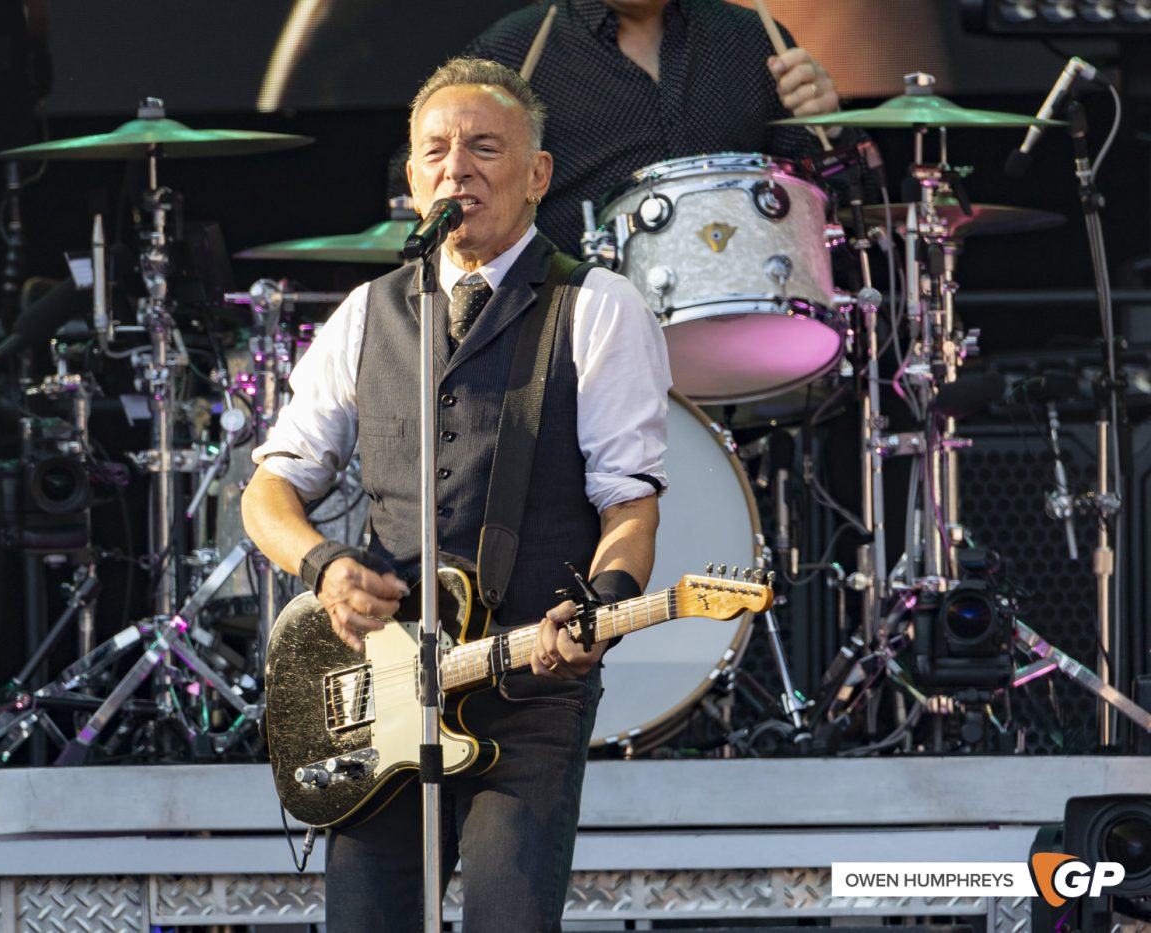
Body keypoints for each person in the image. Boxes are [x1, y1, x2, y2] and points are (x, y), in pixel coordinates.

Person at [242, 58, 670, 932]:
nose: (456, 168)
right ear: (411, 177)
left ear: (538, 173)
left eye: (484, 147)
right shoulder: (368, 311)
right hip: (381, 693)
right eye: (435, 150)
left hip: (528, 692)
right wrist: (323, 566)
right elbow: (269, 491)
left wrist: (603, 611)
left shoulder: (596, 306)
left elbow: (630, 507)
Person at [462, 0, 846, 254]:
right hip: (578, 327)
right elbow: (429, 177)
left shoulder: (751, 36)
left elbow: (825, 189)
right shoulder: (511, 51)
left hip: (744, 314)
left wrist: (830, 123)